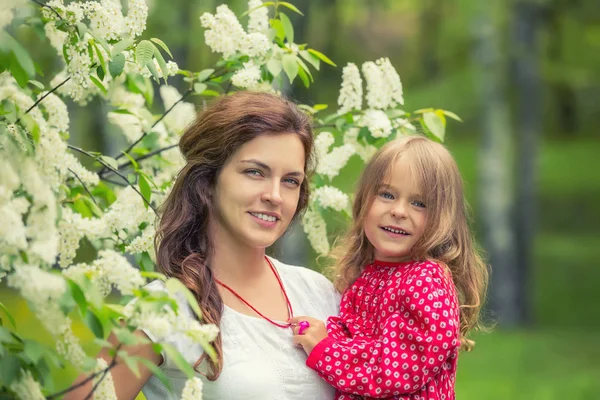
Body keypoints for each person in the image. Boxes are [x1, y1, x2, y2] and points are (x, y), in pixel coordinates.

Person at [65, 91, 339, 400]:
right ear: (207, 183)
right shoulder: (164, 309)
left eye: (291, 181)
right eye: (254, 172)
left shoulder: (321, 294)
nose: (275, 195)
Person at [289, 135, 489, 400]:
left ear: (442, 219)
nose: (399, 211)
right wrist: (324, 333)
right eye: (387, 194)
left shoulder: (426, 280)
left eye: (419, 203)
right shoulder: (371, 276)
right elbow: (359, 337)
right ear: (364, 201)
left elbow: (397, 370)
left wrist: (325, 349)